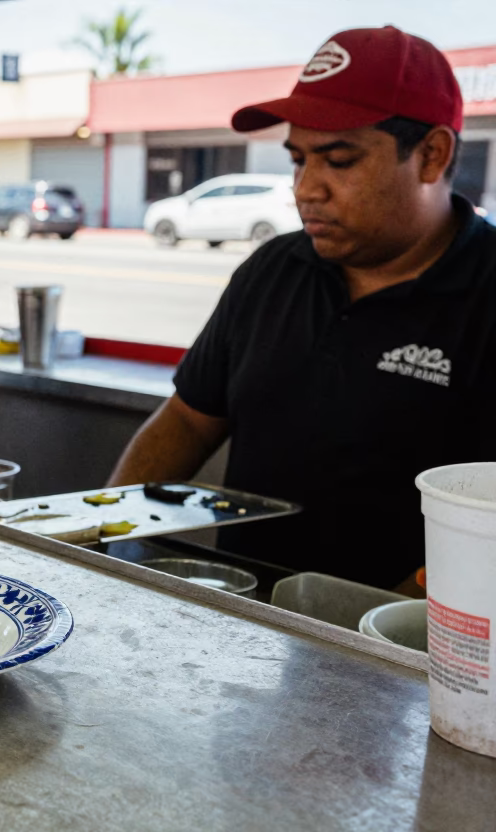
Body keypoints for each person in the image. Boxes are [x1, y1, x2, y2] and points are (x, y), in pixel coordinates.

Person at [108, 26, 496, 592]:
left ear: (432, 155)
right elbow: (189, 419)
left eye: (338, 161)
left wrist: (370, 637)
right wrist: (105, 537)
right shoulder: (272, 270)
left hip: (405, 652)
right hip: (243, 624)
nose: (306, 188)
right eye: (297, 161)